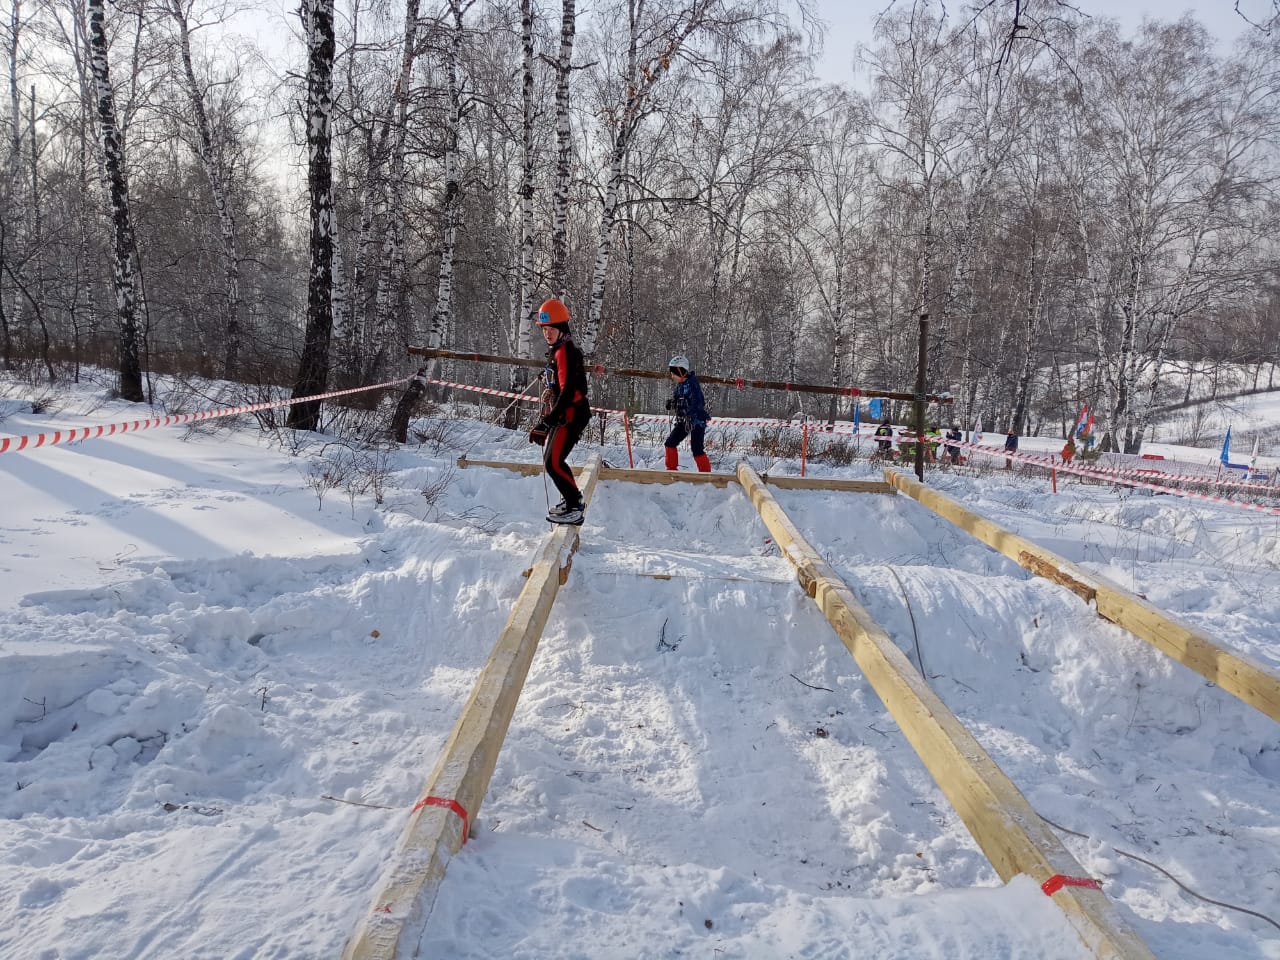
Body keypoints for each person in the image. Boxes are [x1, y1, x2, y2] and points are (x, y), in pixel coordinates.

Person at [528, 298, 590, 524]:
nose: (548, 333)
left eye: (552, 329)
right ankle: (571, 498)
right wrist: (550, 389)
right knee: (552, 460)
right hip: (565, 412)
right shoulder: (558, 350)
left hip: (571, 414)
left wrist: (546, 421)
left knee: (553, 462)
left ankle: (575, 506)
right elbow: (561, 383)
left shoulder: (565, 351)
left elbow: (569, 391)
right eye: (545, 329)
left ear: (562, 328)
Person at [664, 355, 712, 472]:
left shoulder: (693, 384)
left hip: (696, 421)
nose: (672, 376)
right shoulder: (679, 386)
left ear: (681, 371)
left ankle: (706, 475)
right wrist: (672, 403)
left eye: (674, 373)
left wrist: (691, 415)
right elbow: (678, 399)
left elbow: (698, 402)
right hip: (683, 421)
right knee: (670, 443)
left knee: (697, 448)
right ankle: (671, 470)